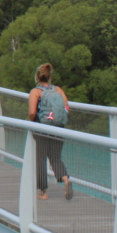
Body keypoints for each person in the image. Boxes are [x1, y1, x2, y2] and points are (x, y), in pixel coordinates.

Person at [28, 63, 73, 201]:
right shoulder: (58, 90)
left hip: (41, 128)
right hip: (58, 127)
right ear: (50, 77)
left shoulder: (35, 92)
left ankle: (43, 193)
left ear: (37, 77)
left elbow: (32, 112)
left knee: (40, 158)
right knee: (55, 157)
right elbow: (66, 108)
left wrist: (34, 120)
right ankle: (65, 179)